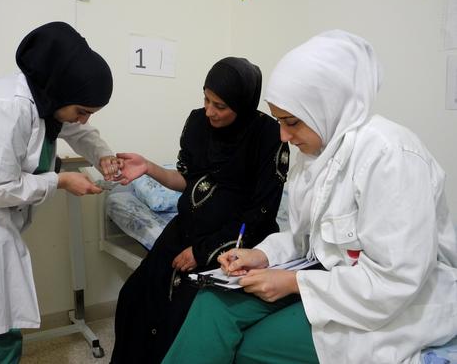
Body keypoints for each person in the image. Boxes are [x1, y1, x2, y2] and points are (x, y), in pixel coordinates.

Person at [162, 30, 457, 364]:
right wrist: (261, 255)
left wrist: (294, 282)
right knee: (211, 304)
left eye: (291, 122)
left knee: (251, 347)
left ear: (327, 107)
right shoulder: (315, 155)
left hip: (389, 306)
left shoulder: (391, 156)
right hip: (325, 280)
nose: (283, 137)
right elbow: (308, 241)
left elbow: (397, 281)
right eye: (278, 122)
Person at [0, 21, 121, 363]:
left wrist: (103, 155)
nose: (85, 120)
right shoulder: (5, 107)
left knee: (2, 317)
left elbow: (77, 130)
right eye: (83, 110)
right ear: (62, 92)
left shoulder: (46, 99)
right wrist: (60, 181)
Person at [110, 57, 290, 364]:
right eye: (206, 99)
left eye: (219, 105)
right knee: (135, 296)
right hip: (184, 229)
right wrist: (149, 168)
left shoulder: (269, 136)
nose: (209, 111)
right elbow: (188, 180)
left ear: (243, 103)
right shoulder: (197, 122)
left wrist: (203, 251)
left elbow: (260, 213)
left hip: (235, 240)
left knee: (182, 312)